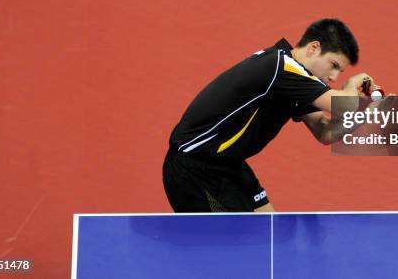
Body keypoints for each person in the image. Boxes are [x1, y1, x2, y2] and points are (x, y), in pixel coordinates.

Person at [162, 18, 380, 212]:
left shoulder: (299, 81)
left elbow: (324, 131)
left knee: (269, 231)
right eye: (333, 65)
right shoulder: (280, 67)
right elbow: (344, 106)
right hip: (193, 169)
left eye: (340, 72)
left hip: (228, 166)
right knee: (229, 249)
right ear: (314, 47)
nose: (333, 76)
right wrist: (352, 85)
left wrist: (365, 114)